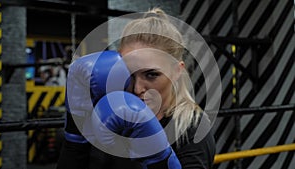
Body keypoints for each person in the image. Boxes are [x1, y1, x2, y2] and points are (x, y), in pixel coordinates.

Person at [57, 7, 215, 169]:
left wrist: (159, 159)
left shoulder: (191, 130)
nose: (137, 88)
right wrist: (75, 133)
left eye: (151, 75)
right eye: (129, 74)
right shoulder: (105, 114)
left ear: (176, 71)